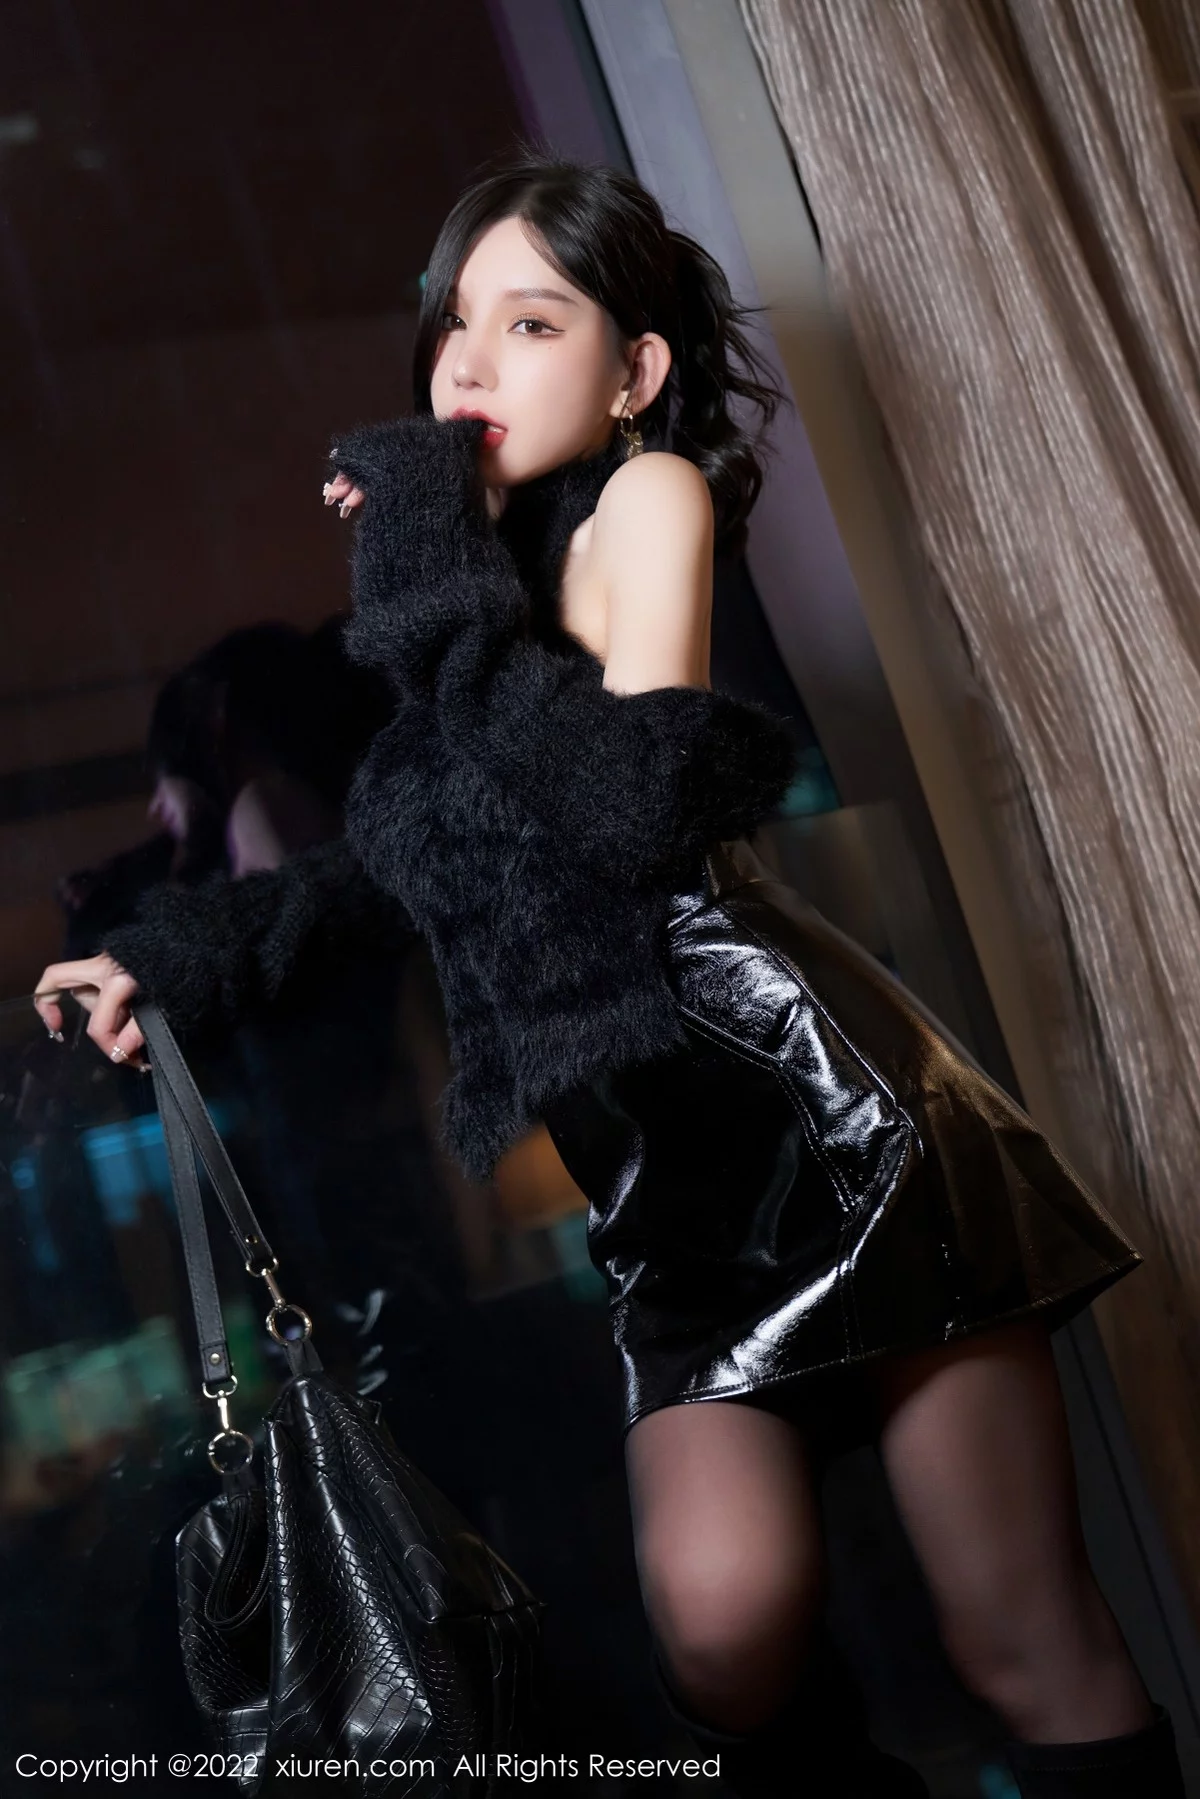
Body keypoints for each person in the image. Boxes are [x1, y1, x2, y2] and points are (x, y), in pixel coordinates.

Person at [33, 146, 1185, 1797]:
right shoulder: (490, 597)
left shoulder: (653, 502)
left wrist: (431, 573)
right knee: (722, 1635)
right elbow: (398, 866)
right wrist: (163, 961)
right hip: (662, 1195)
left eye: (532, 322)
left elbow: (631, 809)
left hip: (826, 1130)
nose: (470, 363)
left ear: (635, 372)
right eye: (453, 325)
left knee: (1017, 1635)